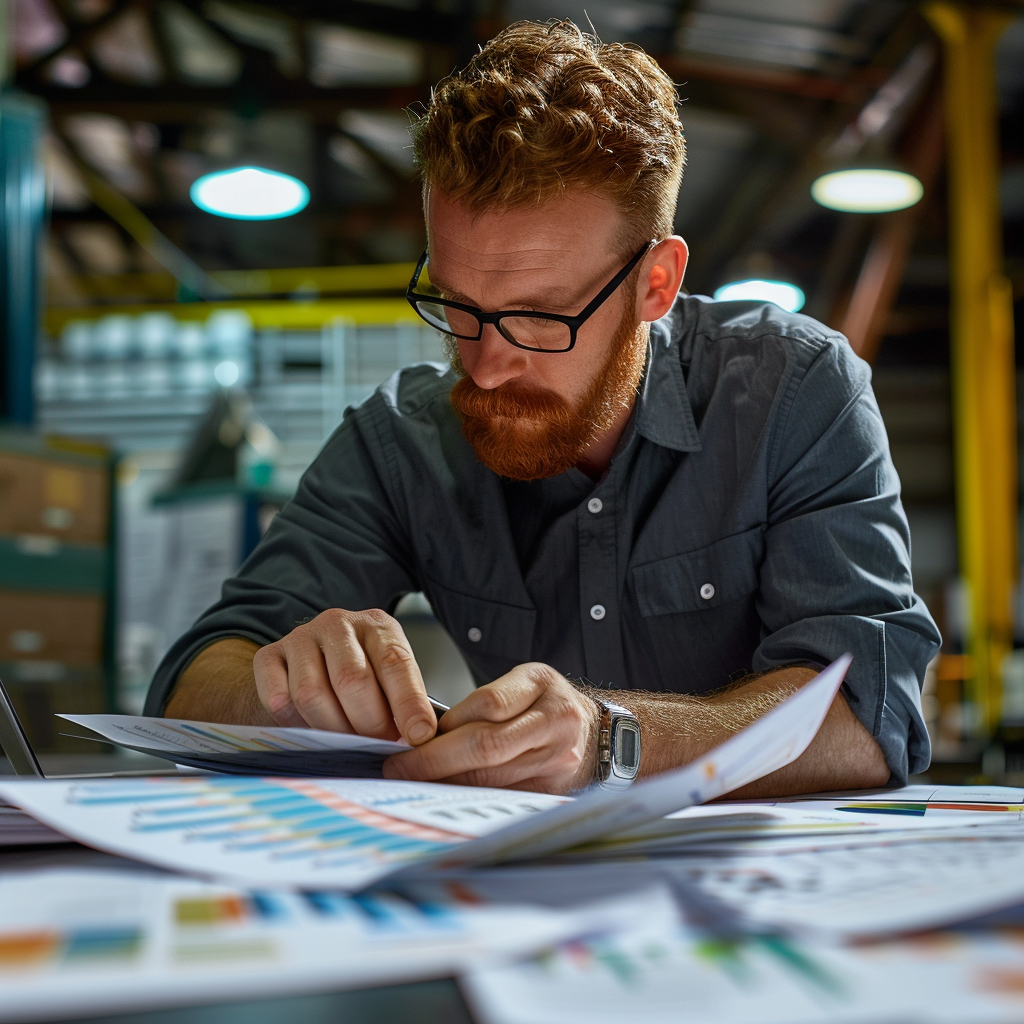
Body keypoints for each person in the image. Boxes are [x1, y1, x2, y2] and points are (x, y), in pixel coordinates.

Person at [147, 20, 940, 796]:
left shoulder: (793, 390)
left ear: (654, 284)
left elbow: (872, 718)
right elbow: (193, 681)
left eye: (538, 317)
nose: (488, 367)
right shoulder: (402, 442)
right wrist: (291, 686)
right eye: (459, 306)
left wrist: (613, 740)